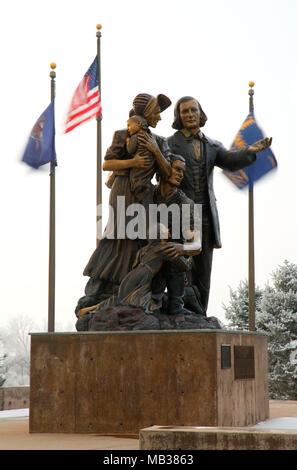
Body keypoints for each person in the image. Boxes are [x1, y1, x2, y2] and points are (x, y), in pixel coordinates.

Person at [167, 96, 272, 314]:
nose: (189, 114)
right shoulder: (169, 143)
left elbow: (231, 161)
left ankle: (200, 316)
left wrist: (250, 151)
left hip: (205, 217)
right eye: (184, 111)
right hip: (179, 215)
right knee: (180, 268)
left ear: (200, 113)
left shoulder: (212, 145)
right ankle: (181, 313)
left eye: (193, 110)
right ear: (178, 116)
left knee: (203, 272)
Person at [75, 93, 176, 319]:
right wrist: (133, 163)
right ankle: (107, 285)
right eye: (157, 112)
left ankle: (137, 287)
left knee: (143, 237)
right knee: (121, 234)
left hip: (145, 193)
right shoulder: (122, 134)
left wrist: (155, 150)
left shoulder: (160, 140)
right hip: (122, 190)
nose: (160, 117)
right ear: (146, 113)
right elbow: (107, 164)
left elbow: (169, 173)